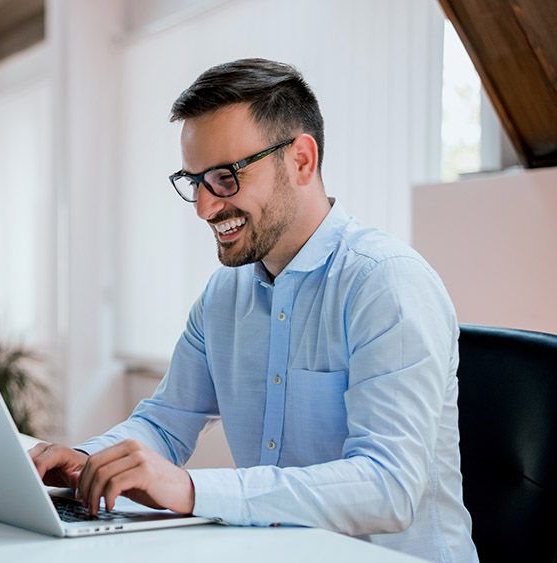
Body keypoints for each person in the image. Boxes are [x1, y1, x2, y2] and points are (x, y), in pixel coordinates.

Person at [29, 59, 477, 562]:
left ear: (302, 161)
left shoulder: (386, 283)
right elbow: (165, 422)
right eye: (194, 180)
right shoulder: (225, 295)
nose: (204, 207)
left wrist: (191, 490)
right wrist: (89, 459)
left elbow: (389, 486)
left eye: (225, 177)